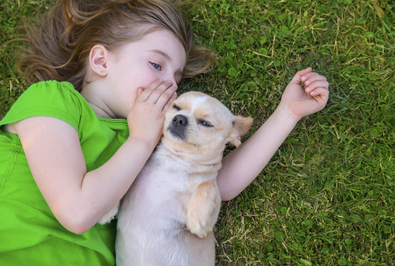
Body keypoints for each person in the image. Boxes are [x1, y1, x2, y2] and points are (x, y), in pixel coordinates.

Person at [0, 0, 329, 265]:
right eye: (156, 65)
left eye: (177, 77)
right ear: (101, 60)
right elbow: (77, 211)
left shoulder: (154, 134)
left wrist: (287, 114)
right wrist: (140, 139)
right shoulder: (52, 100)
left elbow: (219, 182)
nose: (170, 85)